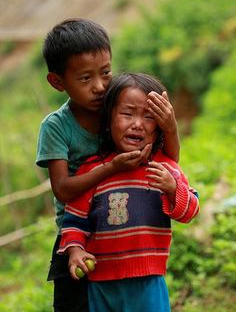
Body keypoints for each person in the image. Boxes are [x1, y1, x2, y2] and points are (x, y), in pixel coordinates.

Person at [36, 19, 180, 312]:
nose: (100, 86)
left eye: (105, 72)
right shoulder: (56, 127)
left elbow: (168, 159)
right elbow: (63, 189)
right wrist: (112, 168)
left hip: (123, 230)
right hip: (78, 234)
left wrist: (171, 127)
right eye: (85, 79)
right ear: (58, 82)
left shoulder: (116, 109)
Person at [58, 72, 199, 312]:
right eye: (127, 113)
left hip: (148, 281)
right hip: (101, 284)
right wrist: (75, 250)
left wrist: (174, 189)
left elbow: (191, 210)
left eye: (148, 116)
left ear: (160, 127)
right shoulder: (93, 170)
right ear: (108, 119)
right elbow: (74, 219)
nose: (137, 123)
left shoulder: (163, 167)